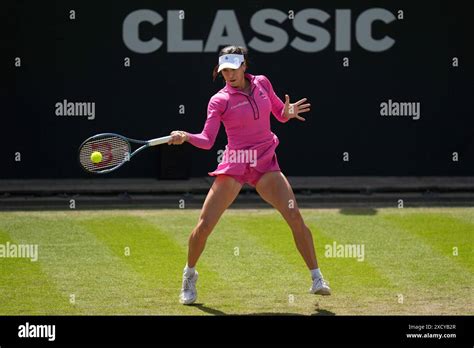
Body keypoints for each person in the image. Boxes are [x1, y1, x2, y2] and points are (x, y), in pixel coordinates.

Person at [168, 45, 331, 305]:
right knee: (205, 225)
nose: (229, 75)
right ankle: (189, 274)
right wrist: (186, 137)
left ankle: (317, 278)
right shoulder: (219, 100)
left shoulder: (263, 83)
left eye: (233, 69)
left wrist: (287, 114)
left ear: (244, 66)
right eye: (224, 71)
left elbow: (279, 113)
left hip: (265, 159)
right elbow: (208, 140)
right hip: (236, 162)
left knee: (294, 215)